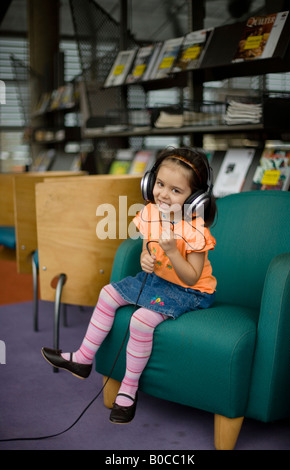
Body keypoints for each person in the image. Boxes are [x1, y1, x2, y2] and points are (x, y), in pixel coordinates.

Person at [41, 147, 217, 424]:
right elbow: (148, 245)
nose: (163, 194)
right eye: (159, 184)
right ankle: (83, 358)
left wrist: (172, 252)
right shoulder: (150, 212)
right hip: (159, 280)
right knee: (108, 293)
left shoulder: (195, 229)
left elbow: (192, 277)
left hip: (190, 292)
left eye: (175, 190)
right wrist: (146, 256)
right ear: (150, 182)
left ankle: (128, 391)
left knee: (141, 320)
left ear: (194, 199)